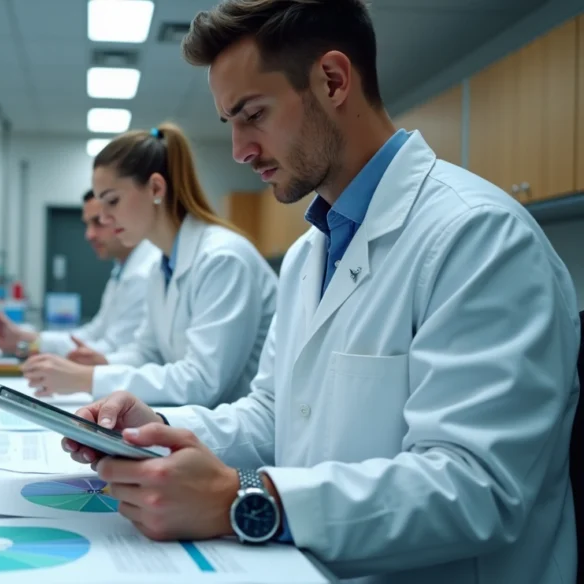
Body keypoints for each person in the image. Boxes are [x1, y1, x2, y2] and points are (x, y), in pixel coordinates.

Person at [61, 1, 581, 583]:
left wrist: (245, 498)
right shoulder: (312, 251)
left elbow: (476, 486)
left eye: (251, 115)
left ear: (332, 81)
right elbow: (274, 416)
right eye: (230, 122)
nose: (239, 150)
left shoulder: (479, 237)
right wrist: (151, 425)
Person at [21, 122, 278, 408]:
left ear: (156, 187)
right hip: (194, 426)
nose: (104, 219)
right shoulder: (162, 265)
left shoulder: (223, 259)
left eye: (112, 201)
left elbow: (202, 382)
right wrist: (104, 365)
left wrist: (88, 378)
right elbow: (147, 352)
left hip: (234, 441)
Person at [0, 190, 160, 357]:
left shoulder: (143, 274)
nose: (89, 235)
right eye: (87, 224)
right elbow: (94, 333)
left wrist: (30, 345)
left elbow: (113, 350)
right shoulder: (123, 271)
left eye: (99, 222)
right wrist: (28, 339)